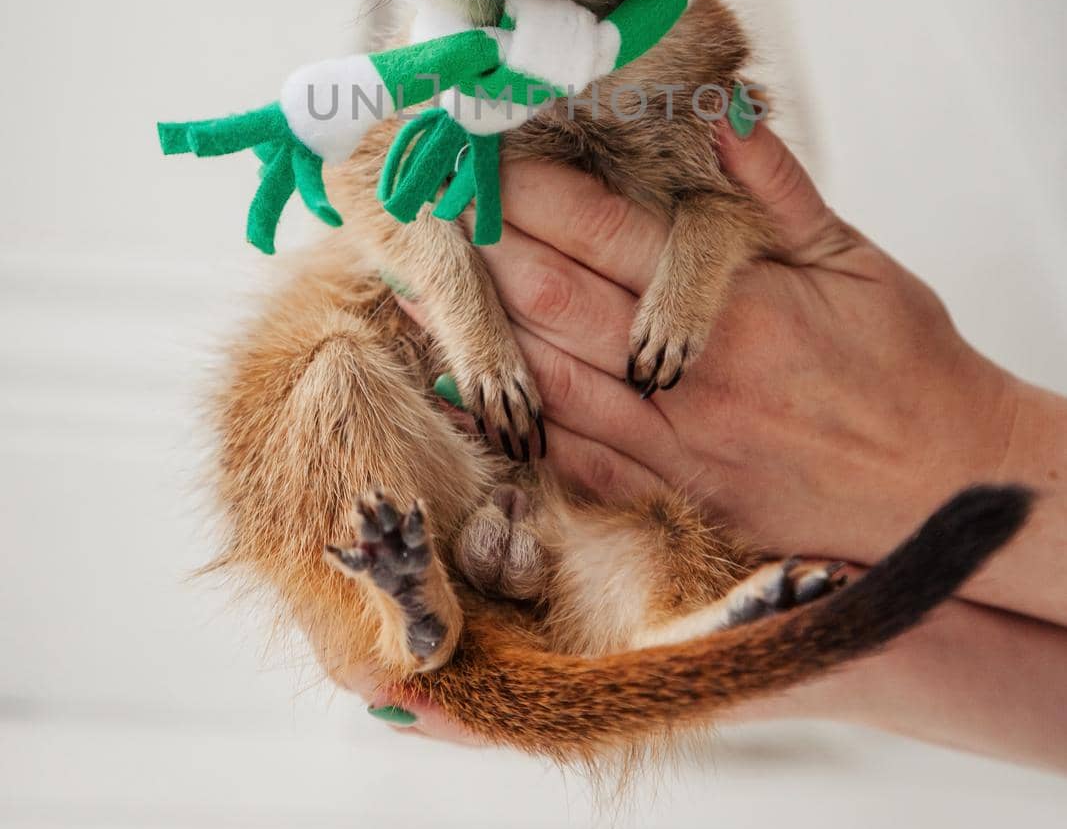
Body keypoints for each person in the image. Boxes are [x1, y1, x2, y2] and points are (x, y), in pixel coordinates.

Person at [331, 115, 1067, 771]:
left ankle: (657, 628)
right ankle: (656, 632)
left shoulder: (668, 53)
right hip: (453, 471)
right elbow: (357, 177)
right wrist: (839, 650)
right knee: (328, 372)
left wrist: (976, 446)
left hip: (632, 546)